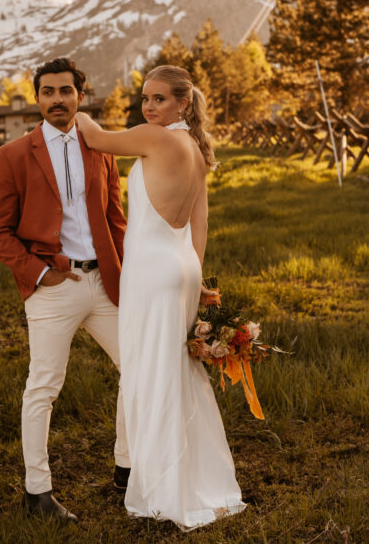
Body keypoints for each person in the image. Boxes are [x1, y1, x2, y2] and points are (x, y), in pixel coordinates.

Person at [75, 64, 246, 531]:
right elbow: (200, 221)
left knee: (152, 373)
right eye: (145, 99)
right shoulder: (194, 146)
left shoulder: (156, 138)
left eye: (159, 99)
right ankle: (191, 475)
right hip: (182, 267)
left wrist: (77, 97)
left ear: (183, 103)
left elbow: (92, 136)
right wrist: (197, 274)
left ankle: (166, 488)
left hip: (153, 271)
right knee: (180, 372)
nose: (148, 107)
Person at [0, 57, 130, 523]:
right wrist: (41, 274)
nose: (57, 100)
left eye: (66, 91)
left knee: (139, 370)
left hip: (105, 284)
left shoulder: (101, 149)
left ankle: (127, 470)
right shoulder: (11, 156)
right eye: (48, 92)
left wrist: (130, 275)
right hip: (52, 286)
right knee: (43, 387)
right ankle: (37, 493)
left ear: (79, 97)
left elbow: (115, 221)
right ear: (37, 98)